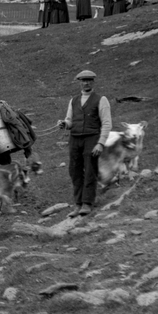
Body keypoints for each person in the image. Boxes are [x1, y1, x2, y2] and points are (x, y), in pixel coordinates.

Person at [57, 69, 112, 218]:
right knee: (74, 171)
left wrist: (100, 143)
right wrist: (65, 124)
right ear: (79, 82)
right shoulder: (73, 100)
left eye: (89, 80)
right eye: (83, 80)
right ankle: (78, 204)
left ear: (93, 82)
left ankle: (87, 203)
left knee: (89, 170)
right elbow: (69, 120)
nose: (86, 83)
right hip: (75, 139)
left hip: (92, 138)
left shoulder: (101, 100)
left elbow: (107, 124)